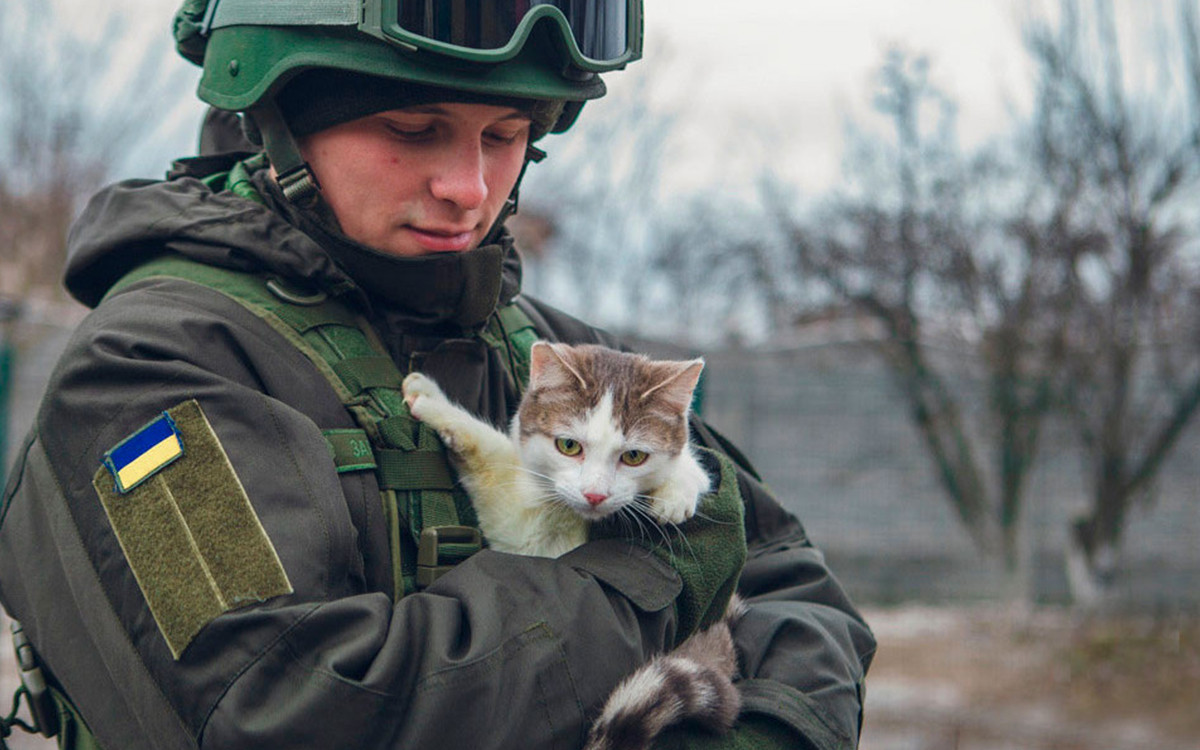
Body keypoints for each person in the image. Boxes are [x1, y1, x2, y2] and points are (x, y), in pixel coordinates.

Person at [0, 2, 875, 749]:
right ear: (282, 121)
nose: (469, 185)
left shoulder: (547, 356)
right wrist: (649, 581)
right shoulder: (146, 369)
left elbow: (792, 585)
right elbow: (290, 703)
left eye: (505, 135)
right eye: (413, 130)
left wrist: (770, 728)